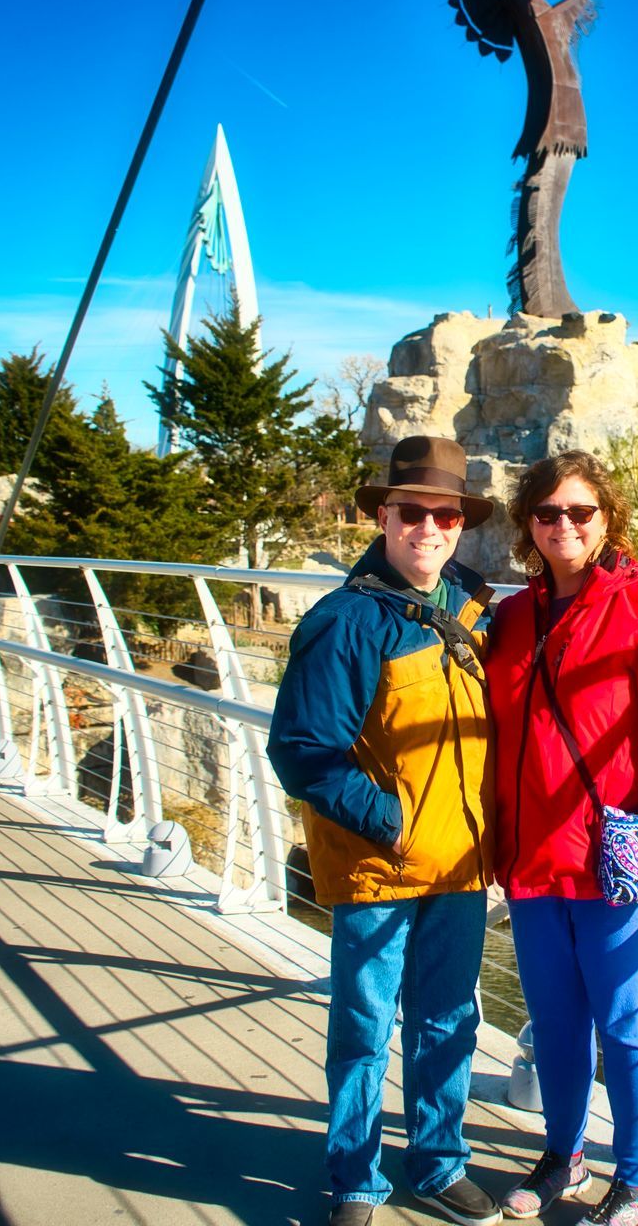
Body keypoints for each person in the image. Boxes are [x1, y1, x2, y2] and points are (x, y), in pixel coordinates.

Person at [266, 436, 503, 1226]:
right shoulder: (346, 621)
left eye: (445, 514)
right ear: (383, 515)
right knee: (364, 1028)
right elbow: (303, 752)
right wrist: (393, 826)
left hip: (462, 864)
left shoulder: (469, 606)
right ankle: (356, 1180)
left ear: (462, 523)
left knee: (448, 1021)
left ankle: (438, 1164)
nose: (428, 528)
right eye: (412, 512)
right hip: (384, 865)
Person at [485, 451, 638, 1226]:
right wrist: (495, 844)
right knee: (555, 1021)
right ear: (528, 524)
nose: (564, 527)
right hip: (532, 859)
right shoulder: (514, 618)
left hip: (616, 861)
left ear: (607, 518)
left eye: (580, 512)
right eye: (548, 513)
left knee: (628, 1024)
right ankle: (565, 1156)